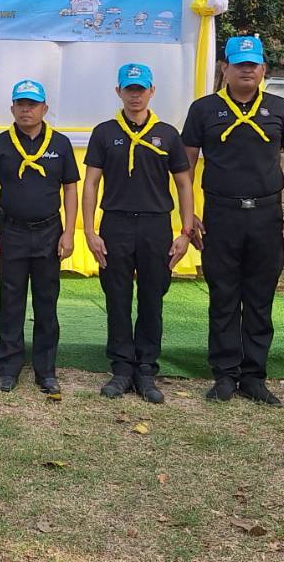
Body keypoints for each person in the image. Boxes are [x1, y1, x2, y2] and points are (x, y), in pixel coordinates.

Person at [181, 36, 284, 406]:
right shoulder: (204, 109)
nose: (246, 70)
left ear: (263, 68)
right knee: (223, 295)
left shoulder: (279, 108)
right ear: (225, 68)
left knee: (259, 297)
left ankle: (253, 376)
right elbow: (186, 165)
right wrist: (188, 213)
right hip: (221, 215)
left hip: (267, 216)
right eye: (239, 64)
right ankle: (224, 374)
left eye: (253, 64)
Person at [82, 63, 195, 403]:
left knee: (151, 296)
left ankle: (146, 369)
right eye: (129, 89)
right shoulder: (104, 133)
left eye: (141, 89)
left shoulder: (167, 134)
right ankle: (121, 368)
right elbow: (91, 184)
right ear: (119, 91)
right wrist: (89, 231)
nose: (135, 95)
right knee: (116, 297)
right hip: (115, 224)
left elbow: (184, 184)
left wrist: (185, 231)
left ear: (151, 91)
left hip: (155, 226)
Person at [0, 79, 78, 393]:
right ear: (12, 108)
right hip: (11, 232)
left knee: (47, 302)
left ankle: (45, 370)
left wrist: (69, 232)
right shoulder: (0, 144)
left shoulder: (60, 144)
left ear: (44, 108)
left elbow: (70, 189)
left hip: (49, 232)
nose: (26, 110)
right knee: (11, 302)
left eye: (32, 104)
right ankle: (9, 368)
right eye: (21, 104)